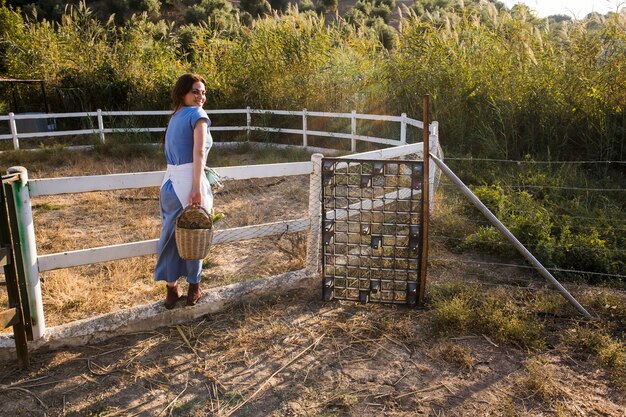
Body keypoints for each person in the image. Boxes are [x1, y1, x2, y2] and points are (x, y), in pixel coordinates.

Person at [154, 73, 213, 309]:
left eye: (203, 92)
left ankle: (171, 290)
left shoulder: (175, 117)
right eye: (195, 92)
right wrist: (196, 187)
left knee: (170, 238)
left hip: (169, 184)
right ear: (183, 93)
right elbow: (198, 153)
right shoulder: (198, 115)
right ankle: (194, 287)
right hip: (189, 183)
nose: (201, 97)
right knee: (194, 236)